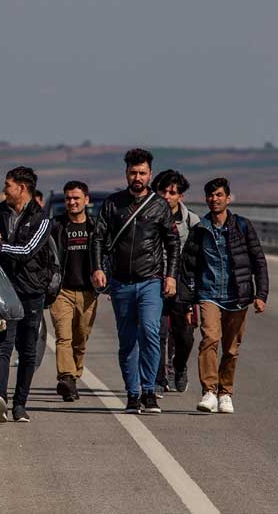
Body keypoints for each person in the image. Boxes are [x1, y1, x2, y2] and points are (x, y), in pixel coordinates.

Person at [90, 148, 180, 414]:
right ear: (126, 173)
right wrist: (97, 268)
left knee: (150, 333)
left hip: (150, 280)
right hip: (121, 283)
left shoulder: (159, 205)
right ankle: (132, 394)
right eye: (133, 172)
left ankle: (149, 391)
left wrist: (171, 276)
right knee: (128, 340)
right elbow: (98, 237)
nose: (137, 177)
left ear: (150, 174)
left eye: (142, 172)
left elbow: (172, 243)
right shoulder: (112, 204)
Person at [181, 178, 269, 414]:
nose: (214, 199)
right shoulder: (200, 230)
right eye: (210, 195)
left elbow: (258, 261)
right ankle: (209, 391)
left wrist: (261, 294)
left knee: (231, 349)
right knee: (210, 339)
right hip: (209, 294)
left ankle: (225, 393)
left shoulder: (242, 226)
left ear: (228, 198)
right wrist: (189, 305)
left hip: (238, 296)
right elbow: (188, 267)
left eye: (219, 195)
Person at [0, 167, 53, 423]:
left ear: (21, 188)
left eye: (7, 185)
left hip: (31, 292)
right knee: (2, 343)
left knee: (27, 349)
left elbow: (28, 250)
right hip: (3, 292)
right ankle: (0, 398)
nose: (3, 190)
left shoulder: (41, 219)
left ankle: (20, 404)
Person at [152, 169, 202, 394]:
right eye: (163, 191)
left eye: (172, 192)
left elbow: (200, 257)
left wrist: (197, 291)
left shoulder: (192, 221)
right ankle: (158, 378)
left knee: (185, 335)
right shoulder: (148, 217)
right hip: (155, 279)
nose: (167, 196)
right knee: (157, 333)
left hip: (182, 282)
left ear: (180, 196)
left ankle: (179, 368)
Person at [48, 181, 98, 402]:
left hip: (88, 293)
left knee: (80, 339)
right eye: (68, 198)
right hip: (62, 291)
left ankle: (74, 375)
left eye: (76, 198)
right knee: (63, 337)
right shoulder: (57, 226)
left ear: (86, 200)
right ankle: (66, 378)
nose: (72, 202)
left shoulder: (95, 227)